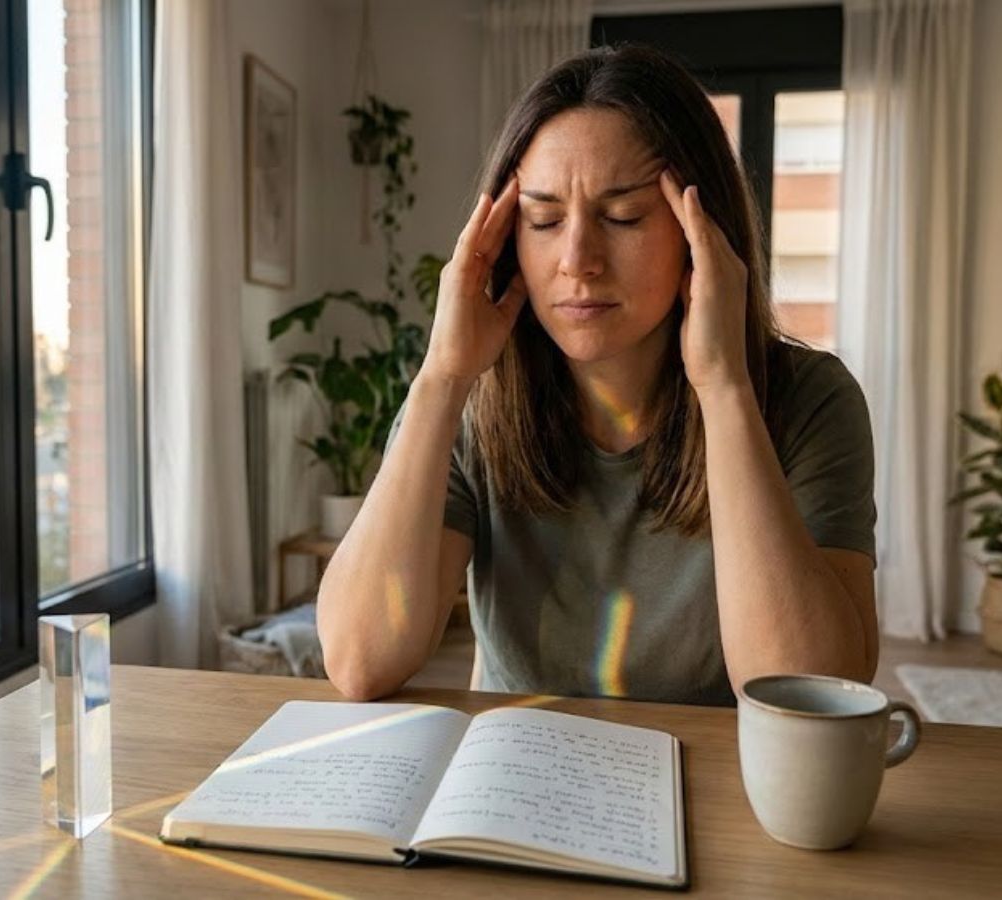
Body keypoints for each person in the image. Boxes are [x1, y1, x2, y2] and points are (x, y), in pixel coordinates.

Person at [316, 45, 877, 706]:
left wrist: (724, 388)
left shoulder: (811, 401)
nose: (577, 259)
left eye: (622, 217)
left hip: (718, 769)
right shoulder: (473, 402)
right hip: (517, 761)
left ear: (704, 232)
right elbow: (359, 661)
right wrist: (441, 377)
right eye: (544, 220)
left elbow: (810, 691)